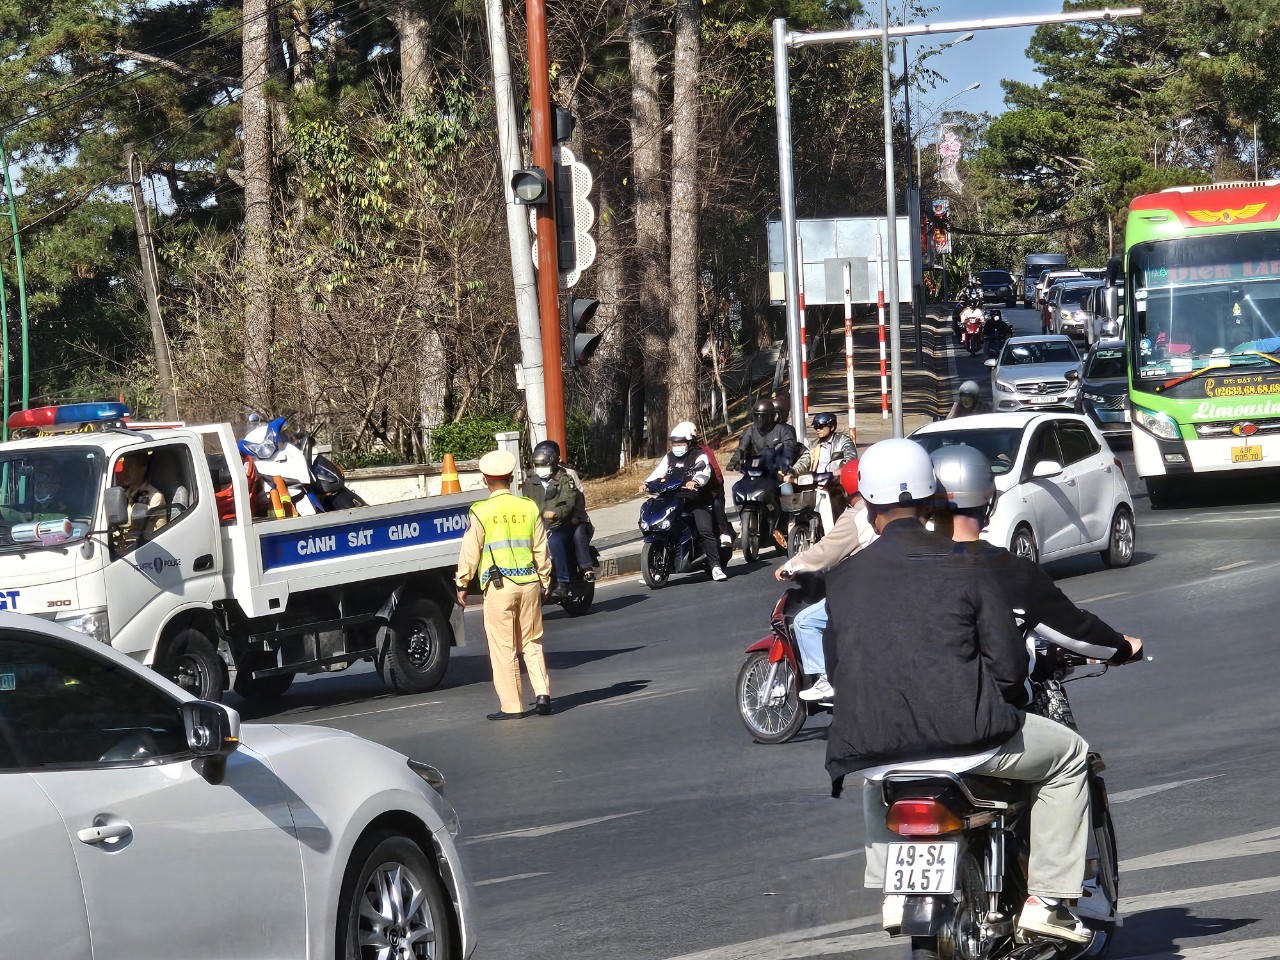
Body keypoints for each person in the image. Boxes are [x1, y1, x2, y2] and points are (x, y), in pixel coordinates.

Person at [823, 438, 1096, 945]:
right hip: (971, 741)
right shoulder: (966, 566)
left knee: (882, 773)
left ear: (865, 502)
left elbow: (839, 670)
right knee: (1069, 758)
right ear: (931, 498)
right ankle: (1049, 901)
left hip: (870, 745)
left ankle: (895, 889)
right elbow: (1009, 669)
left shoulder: (842, 579)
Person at [455, 449, 554, 720]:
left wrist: (462, 582)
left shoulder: (481, 511)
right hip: (530, 582)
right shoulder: (528, 507)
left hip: (499, 587)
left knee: (504, 647)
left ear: (486, 480)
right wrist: (545, 579)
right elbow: (541, 550)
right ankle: (543, 694)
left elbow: (470, 551)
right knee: (532, 641)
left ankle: (513, 706)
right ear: (511, 478)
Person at [774, 458, 876, 701]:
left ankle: (825, 680)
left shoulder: (856, 517)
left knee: (805, 622)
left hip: (863, 590)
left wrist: (792, 564)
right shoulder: (885, 508)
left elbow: (826, 552)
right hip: (889, 585)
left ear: (846, 488)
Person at [643, 422, 726, 581]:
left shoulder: (699, 455)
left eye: (680, 442)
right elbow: (658, 472)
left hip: (696, 500)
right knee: (661, 521)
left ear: (690, 442)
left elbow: (704, 472)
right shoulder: (669, 457)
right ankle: (660, 567)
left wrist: (695, 482)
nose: (677, 446)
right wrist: (646, 483)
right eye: (674, 442)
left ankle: (715, 566)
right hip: (673, 498)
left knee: (705, 529)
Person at [523, 440, 591, 596]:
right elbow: (524, 500)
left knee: (555, 540)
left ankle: (564, 581)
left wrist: (558, 513)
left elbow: (570, 500)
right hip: (538, 524)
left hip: (562, 523)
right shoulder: (530, 481)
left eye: (543, 464)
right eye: (537, 465)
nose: (540, 469)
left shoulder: (565, 477)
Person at [728, 399, 798, 549]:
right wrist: (734, 461)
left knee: (786, 491)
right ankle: (746, 519)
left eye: (763, 416)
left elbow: (789, 448)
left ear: (771, 416)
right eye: (757, 416)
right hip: (755, 472)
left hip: (775, 473)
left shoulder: (783, 430)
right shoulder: (750, 431)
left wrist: (785, 464)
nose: (760, 420)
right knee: (737, 487)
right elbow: (742, 448)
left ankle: (784, 526)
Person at [786, 412, 857, 535]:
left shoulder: (843, 441)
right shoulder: (814, 445)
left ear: (832, 427)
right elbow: (805, 460)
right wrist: (792, 472)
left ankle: (834, 532)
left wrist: (841, 468)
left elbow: (850, 457)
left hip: (835, 484)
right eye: (815, 427)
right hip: (815, 481)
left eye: (821, 426)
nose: (817, 429)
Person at [113, 452, 167, 551]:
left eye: (131, 467)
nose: (125, 471)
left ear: (143, 469)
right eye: (125, 466)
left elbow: (131, 523)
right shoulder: (123, 493)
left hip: (146, 549)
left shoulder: (154, 496)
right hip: (124, 548)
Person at [696, 436, 735, 548]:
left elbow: (716, 471)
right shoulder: (674, 456)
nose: (679, 445)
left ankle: (725, 532)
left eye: (683, 441)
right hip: (686, 492)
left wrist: (715, 485)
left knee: (716, 503)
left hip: (710, 488)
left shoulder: (703, 451)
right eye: (676, 442)